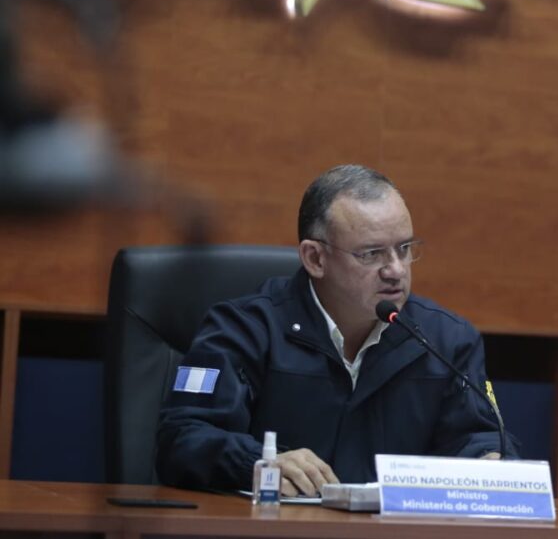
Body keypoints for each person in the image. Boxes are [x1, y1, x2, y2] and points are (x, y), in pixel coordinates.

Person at [156, 164, 516, 496]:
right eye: (371, 254)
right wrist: (258, 463)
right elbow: (182, 439)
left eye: (404, 249)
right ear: (315, 258)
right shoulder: (243, 329)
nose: (396, 270)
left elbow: (482, 437)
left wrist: (490, 461)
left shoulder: (447, 340)